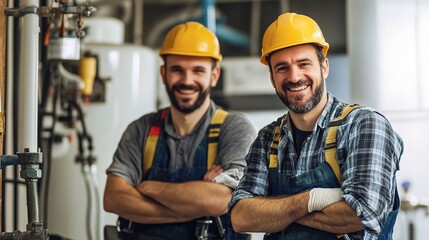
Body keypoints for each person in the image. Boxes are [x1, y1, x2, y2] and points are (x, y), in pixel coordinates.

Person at [228, 12, 403, 240]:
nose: (294, 76)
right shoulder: (267, 139)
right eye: (282, 68)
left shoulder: (364, 126)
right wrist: (313, 199)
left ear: (324, 67)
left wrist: (273, 210)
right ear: (272, 78)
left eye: (304, 64)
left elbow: (363, 214)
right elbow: (241, 217)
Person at [103, 21, 256, 240]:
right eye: (177, 70)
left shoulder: (233, 128)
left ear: (214, 76)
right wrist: (197, 201)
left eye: (198, 71)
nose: (186, 81)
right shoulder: (141, 130)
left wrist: (148, 187)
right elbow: (114, 198)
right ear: (163, 73)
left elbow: (221, 200)